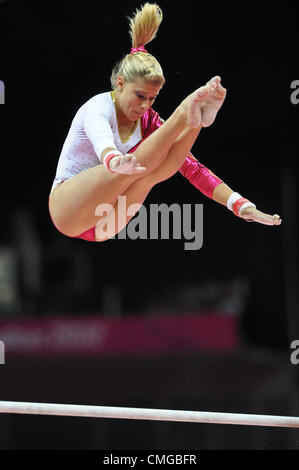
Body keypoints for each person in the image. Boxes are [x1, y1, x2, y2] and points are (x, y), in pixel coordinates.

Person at [48, 3, 281, 242]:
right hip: (67, 209)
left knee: (151, 173)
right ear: (120, 83)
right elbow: (101, 139)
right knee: (133, 167)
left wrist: (239, 204)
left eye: (152, 99)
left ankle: (196, 120)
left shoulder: (148, 120)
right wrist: (114, 159)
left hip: (103, 227)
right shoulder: (98, 107)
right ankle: (184, 113)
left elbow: (192, 168)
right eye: (140, 96)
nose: (145, 106)